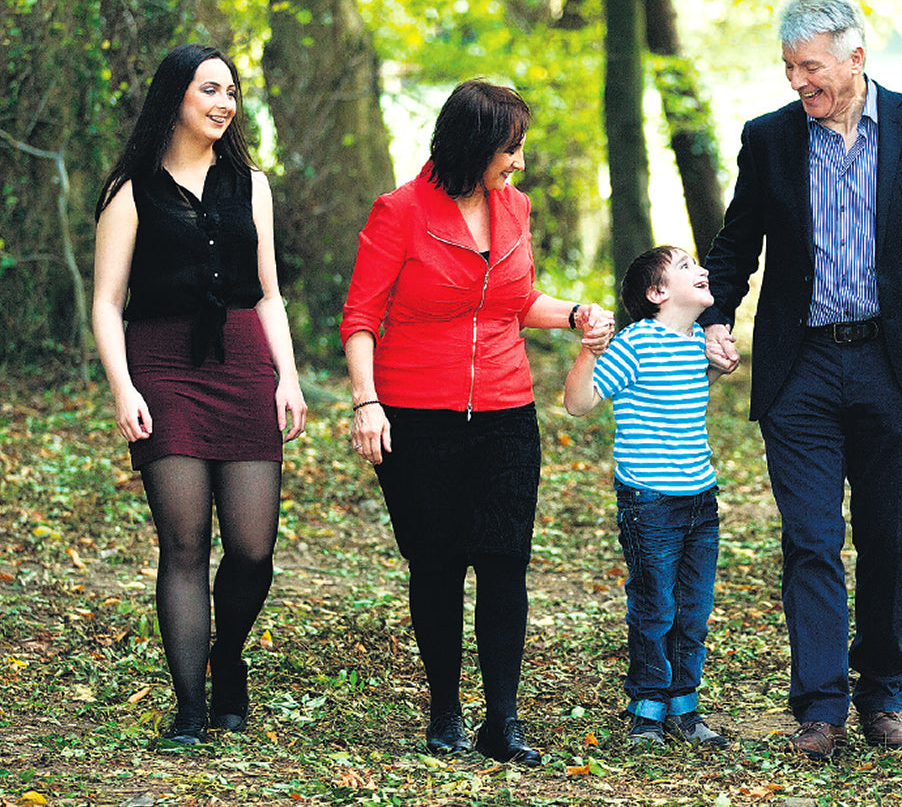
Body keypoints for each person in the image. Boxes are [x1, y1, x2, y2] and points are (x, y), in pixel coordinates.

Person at [700, 0, 902, 759]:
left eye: (811, 67)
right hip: (799, 367)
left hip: (894, 364)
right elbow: (738, 243)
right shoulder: (768, 138)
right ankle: (821, 707)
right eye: (790, 68)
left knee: (890, 535)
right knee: (809, 537)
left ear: (855, 58)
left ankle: (883, 696)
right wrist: (715, 315)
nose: (800, 82)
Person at [340, 79, 612, 766]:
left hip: (505, 413)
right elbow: (361, 317)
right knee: (435, 566)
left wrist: (576, 313)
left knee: (505, 564)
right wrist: (366, 402)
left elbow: (518, 301)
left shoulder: (514, 209)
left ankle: (503, 722)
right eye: (510, 148)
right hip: (416, 417)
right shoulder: (398, 211)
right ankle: (443, 710)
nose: (518, 162)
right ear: (476, 143)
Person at [92, 44, 308, 745]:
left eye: (231, 92)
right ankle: (190, 707)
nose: (223, 103)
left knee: (251, 548)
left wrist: (289, 376)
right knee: (183, 543)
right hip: (162, 364)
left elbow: (271, 295)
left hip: (243, 362)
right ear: (175, 98)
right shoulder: (132, 189)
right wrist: (123, 387)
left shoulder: (252, 185)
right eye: (209, 89)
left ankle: (227, 658)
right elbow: (106, 301)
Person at [564, 246, 730, 751]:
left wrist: (719, 368)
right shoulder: (635, 344)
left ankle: (684, 706)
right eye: (685, 267)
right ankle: (647, 709)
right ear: (657, 294)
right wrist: (590, 350)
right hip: (650, 501)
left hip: (700, 500)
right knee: (655, 606)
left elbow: (684, 396)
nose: (700, 270)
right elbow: (579, 403)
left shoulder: (694, 343)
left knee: (694, 609)